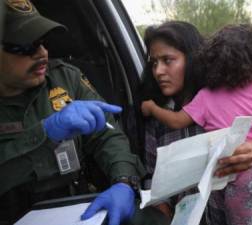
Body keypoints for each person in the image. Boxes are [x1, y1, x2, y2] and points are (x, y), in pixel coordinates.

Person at [0, 1, 163, 225]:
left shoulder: (66, 79)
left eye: (44, 42)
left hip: (76, 206)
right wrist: (44, 134)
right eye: (26, 46)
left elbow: (107, 134)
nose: (42, 53)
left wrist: (124, 182)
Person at [139, 21, 252, 225]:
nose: (159, 71)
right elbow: (151, 175)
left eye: (168, 60)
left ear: (192, 58)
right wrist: (161, 210)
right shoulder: (157, 119)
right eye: (154, 63)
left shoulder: (233, 91)